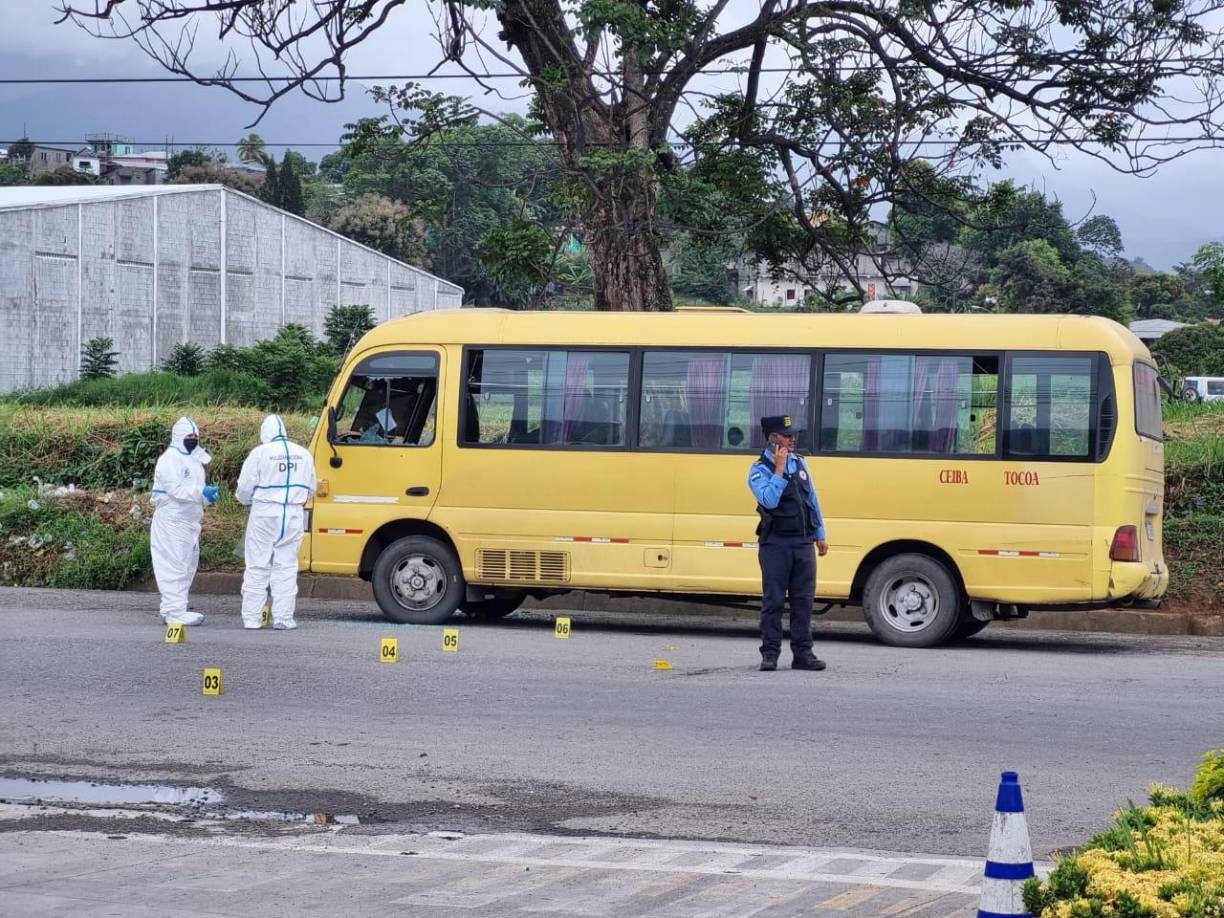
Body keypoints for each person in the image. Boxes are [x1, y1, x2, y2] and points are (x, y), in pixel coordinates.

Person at [748, 415, 829, 672]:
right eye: (787, 435)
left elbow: (812, 499)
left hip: (803, 543)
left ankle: (803, 654)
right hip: (776, 545)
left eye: (793, 434)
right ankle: (770, 654)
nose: (793, 439)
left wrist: (820, 533)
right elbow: (769, 500)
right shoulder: (759, 469)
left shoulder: (801, 464)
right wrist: (779, 470)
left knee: (803, 600)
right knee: (773, 601)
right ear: (773, 439)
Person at [235, 415, 317, 630]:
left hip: (264, 511)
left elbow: (244, 488)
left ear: (265, 433)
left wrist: (248, 501)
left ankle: (252, 618)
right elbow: (312, 488)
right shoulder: (304, 454)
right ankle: (283, 618)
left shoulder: (260, 453)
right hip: (293, 514)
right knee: (287, 565)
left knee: (257, 564)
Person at [150, 417, 218, 626]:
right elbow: (177, 491)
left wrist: (207, 497)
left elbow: (194, 492)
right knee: (174, 565)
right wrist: (200, 492)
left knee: (187, 565)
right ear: (179, 437)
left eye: (196, 436)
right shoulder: (169, 459)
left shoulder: (194, 459)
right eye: (189, 436)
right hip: (172, 519)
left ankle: (173, 607)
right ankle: (175, 612)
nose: (193, 439)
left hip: (189, 520)